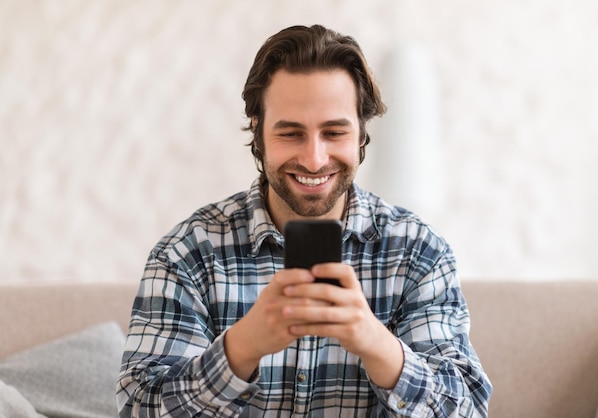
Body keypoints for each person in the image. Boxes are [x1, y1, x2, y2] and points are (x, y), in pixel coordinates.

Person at [116, 24, 492, 417]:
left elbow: (466, 410)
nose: (314, 159)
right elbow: (138, 409)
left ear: (362, 134)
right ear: (258, 135)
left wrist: (376, 343)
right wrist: (241, 348)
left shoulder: (418, 253)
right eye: (291, 133)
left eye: (334, 132)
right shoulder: (188, 255)